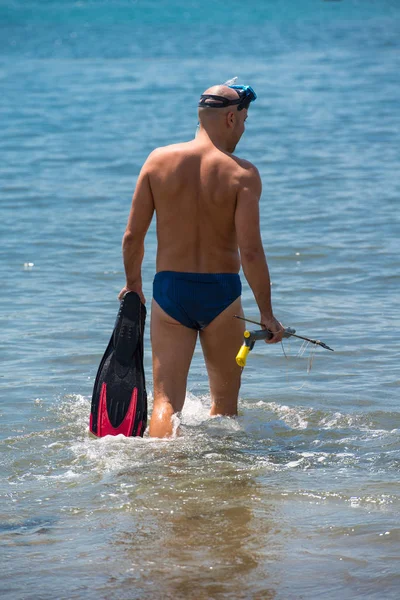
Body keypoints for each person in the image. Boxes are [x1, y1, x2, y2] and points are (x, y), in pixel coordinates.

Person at [118, 82, 284, 438]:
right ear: (229, 118)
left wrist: (133, 284)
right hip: (221, 295)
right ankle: (219, 481)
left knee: (164, 402)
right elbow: (251, 251)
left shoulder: (157, 160)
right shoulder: (242, 175)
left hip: (169, 291)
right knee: (224, 406)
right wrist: (267, 314)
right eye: (244, 120)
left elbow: (133, 237)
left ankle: (163, 466)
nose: (243, 129)